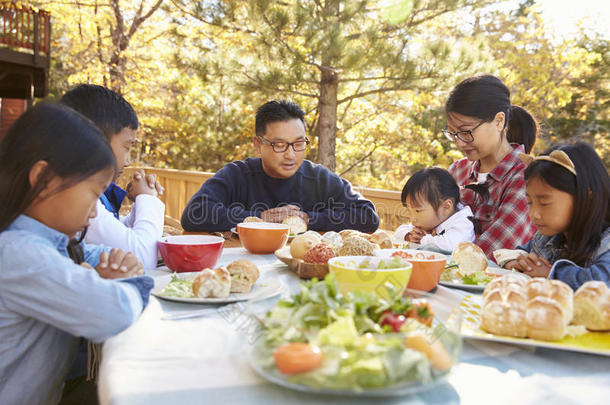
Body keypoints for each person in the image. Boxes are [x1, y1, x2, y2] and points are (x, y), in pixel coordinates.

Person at [0, 103, 153, 405]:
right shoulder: (18, 254)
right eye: (95, 193)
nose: (96, 211)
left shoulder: (47, 244)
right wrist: (130, 282)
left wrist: (114, 265)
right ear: (43, 178)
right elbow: (114, 313)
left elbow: (95, 253)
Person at [181, 100, 379, 232]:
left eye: (299, 144)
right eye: (279, 145)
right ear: (258, 144)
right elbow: (194, 213)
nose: (291, 155)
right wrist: (260, 217)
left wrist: (308, 219)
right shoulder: (238, 174)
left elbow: (368, 216)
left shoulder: (318, 177)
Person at [60, 84, 165, 269]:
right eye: (127, 147)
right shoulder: (72, 195)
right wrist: (147, 198)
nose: (127, 161)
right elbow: (142, 258)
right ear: (95, 141)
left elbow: (115, 230)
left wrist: (137, 207)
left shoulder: (88, 194)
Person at [444, 74, 538, 259]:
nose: (460, 143)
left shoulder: (526, 177)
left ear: (499, 121)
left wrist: (435, 244)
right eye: (453, 133)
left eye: (466, 132)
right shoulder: (457, 171)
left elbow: (490, 253)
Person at [496, 143, 609, 290]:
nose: (534, 214)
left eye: (544, 203)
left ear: (587, 197)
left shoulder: (606, 243)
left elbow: (603, 283)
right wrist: (516, 262)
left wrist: (550, 274)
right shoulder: (547, 237)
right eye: (530, 202)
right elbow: (520, 253)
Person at [394, 167, 475, 251]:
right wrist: (409, 235)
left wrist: (423, 239)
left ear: (446, 207)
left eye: (418, 211)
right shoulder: (427, 222)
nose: (412, 218)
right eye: (409, 211)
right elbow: (399, 231)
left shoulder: (462, 224)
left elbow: (448, 246)